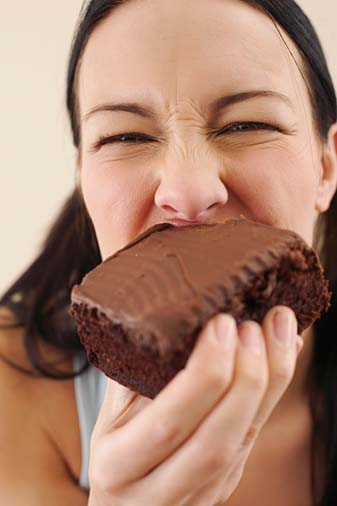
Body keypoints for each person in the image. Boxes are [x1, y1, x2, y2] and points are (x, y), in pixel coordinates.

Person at [0, 0, 337, 504]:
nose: (187, 190)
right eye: (125, 136)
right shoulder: (13, 388)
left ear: (327, 168)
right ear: (83, 182)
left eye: (247, 126)